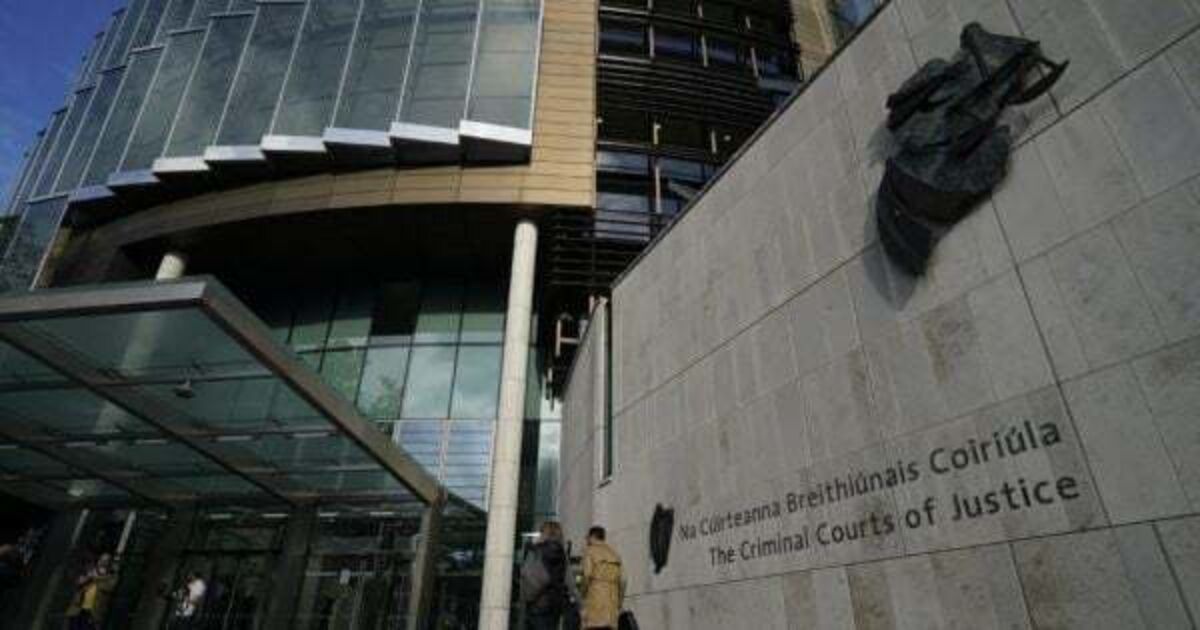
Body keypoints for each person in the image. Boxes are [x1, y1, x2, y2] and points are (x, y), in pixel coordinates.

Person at [521, 521, 568, 630]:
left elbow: (526, 573)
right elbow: (567, 580)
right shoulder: (562, 553)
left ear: (544, 533)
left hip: (538, 602)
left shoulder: (536, 550)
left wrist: (530, 595)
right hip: (555, 603)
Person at [580, 526, 624, 630]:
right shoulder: (614, 554)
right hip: (612, 600)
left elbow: (587, 575)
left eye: (587, 537)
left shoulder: (590, 551)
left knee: (594, 627)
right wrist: (619, 602)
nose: (586, 540)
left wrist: (582, 593)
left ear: (592, 536)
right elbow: (623, 580)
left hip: (596, 597)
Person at [66, 553, 116, 630]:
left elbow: (108, 588)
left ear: (109, 563)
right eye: (101, 559)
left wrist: (97, 577)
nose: (102, 562)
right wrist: (90, 577)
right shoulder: (89, 571)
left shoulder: (111, 577)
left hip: (93, 612)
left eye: (106, 560)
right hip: (78, 609)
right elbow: (79, 582)